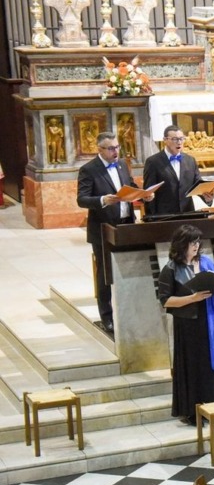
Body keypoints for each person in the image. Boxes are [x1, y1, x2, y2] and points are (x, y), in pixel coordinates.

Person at [158, 225, 214, 425]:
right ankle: (191, 410)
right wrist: (192, 298)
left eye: (198, 242)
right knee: (192, 366)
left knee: (211, 363)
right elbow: (165, 300)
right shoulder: (171, 268)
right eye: (193, 243)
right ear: (182, 244)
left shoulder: (206, 262)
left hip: (209, 321)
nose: (197, 246)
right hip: (188, 325)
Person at [77, 131, 148, 334]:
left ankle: (129, 311)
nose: (115, 151)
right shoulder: (89, 170)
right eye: (110, 148)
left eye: (117, 147)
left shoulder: (121, 165)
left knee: (130, 267)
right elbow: (81, 199)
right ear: (99, 149)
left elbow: (130, 187)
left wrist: (144, 196)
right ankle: (106, 317)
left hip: (126, 224)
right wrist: (102, 200)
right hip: (103, 228)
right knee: (105, 273)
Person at [143, 125, 201, 216]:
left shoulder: (190, 160)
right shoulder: (153, 162)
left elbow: (198, 184)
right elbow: (148, 191)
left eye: (182, 139)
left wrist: (207, 195)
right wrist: (151, 217)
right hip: (164, 216)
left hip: (188, 213)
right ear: (165, 140)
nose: (179, 142)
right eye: (175, 139)